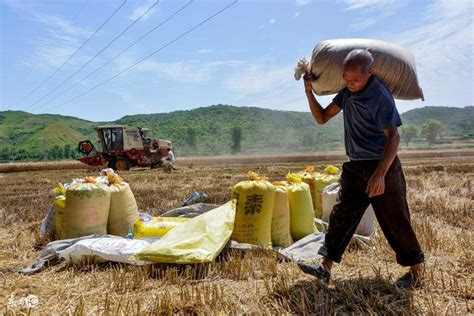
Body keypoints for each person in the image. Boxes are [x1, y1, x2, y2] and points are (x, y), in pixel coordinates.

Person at [300, 49, 424, 289]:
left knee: (396, 219)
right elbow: (322, 117)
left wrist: (380, 175)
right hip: (355, 167)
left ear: (370, 72)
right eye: (347, 79)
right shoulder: (347, 93)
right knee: (342, 215)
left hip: (382, 165)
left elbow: (394, 137)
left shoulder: (379, 95)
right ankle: (325, 267)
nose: (351, 83)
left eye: (355, 79)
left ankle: (417, 272)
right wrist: (308, 92)